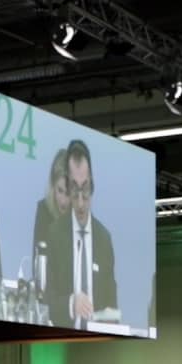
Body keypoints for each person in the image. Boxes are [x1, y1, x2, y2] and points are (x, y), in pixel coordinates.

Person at [44, 140, 118, 329]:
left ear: (92, 184)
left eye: (84, 189)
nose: (80, 203)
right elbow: (46, 300)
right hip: (62, 336)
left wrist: (110, 317)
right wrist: (71, 304)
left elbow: (112, 304)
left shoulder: (104, 239)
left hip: (97, 340)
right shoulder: (54, 234)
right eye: (74, 189)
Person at [32, 147, 71, 268]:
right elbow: (37, 263)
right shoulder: (43, 210)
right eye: (60, 191)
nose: (63, 201)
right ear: (53, 186)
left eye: (68, 193)